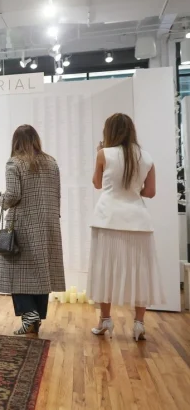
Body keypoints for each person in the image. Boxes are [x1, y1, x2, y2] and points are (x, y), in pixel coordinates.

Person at [88, 113, 163, 340]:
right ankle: (139, 324)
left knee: (105, 270)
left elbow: (97, 183)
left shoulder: (104, 153)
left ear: (109, 131)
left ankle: (105, 319)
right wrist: (132, 191)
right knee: (140, 272)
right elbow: (150, 192)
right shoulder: (146, 157)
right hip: (138, 220)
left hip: (108, 218)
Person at [0, 125, 65, 335]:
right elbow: (57, 194)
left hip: (23, 224)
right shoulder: (51, 162)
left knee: (16, 271)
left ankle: (29, 313)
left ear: (16, 141)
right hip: (48, 223)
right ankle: (35, 319)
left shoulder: (15, 162)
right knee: (41, 271)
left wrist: (2, 200)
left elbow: (13, 195)